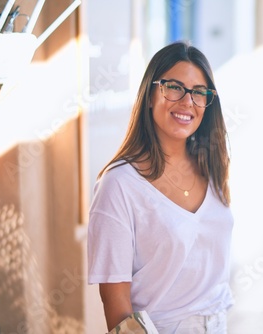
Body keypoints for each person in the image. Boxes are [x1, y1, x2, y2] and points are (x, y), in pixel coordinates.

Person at [87, 41, 234, 334]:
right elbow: (115, 299)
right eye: (174, 87)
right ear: (150, 95)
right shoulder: (119, 184)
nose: (187, 102)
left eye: (198, 93)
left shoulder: (211, 166)